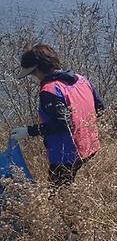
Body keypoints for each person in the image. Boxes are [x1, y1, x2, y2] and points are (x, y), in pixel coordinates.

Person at [10, 44, 104, 189]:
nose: (34, 77)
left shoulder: (49, 90)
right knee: (70, 186)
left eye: (32, 73)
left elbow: (62, 124)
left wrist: (28, 131)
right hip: (90, 147)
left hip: (66, 155)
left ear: (38, 69)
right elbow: (100, 108)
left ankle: (66, 211)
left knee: (56, 195)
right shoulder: (81, 79)